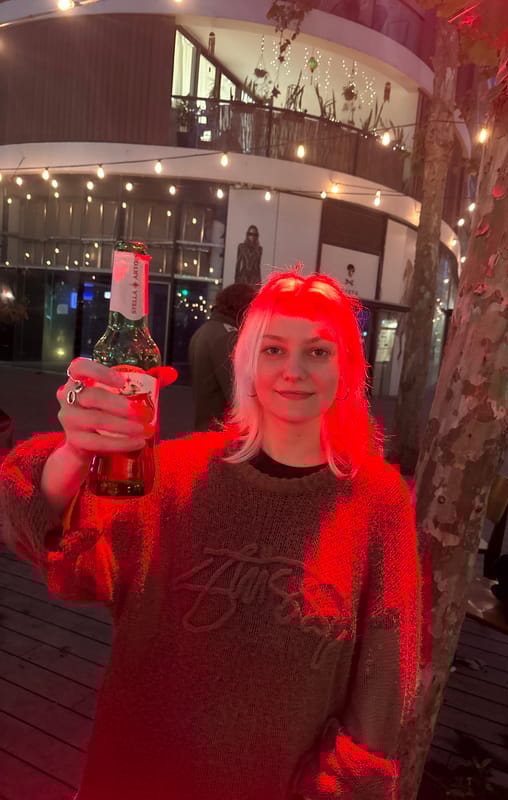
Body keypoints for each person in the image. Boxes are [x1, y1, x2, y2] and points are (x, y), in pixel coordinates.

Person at [0, 265, 423, 800]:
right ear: (245, 363)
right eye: (273, 350)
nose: (293, 370)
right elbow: (60, 553)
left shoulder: (377, 501)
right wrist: (75, 453)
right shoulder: (175, 475)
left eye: (318, 351)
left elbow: (382, 698)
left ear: (348, 369)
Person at [188, 282, 258, 432]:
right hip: (221, 431)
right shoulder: (228, 337)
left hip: (205, 424)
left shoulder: (205, 330)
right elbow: (238, 394)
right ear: (243, 308)